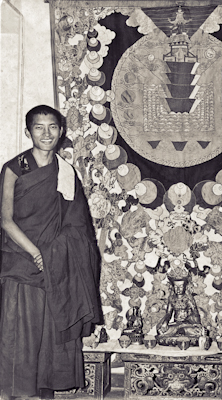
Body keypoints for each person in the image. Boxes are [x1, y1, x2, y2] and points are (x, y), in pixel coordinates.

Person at [0, 105, 102, 400]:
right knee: (18, 338)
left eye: (53, 127)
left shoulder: (66, 172)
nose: (46, 133)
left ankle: (39, 393)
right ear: (28, 131)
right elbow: (5, 220)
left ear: (61, 131)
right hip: (20, 263)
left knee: (45, 341)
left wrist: (55, 254)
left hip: (56, 267)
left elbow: (77, 225)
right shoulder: (14, 168)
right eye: (39, 127)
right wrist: (36, 253)